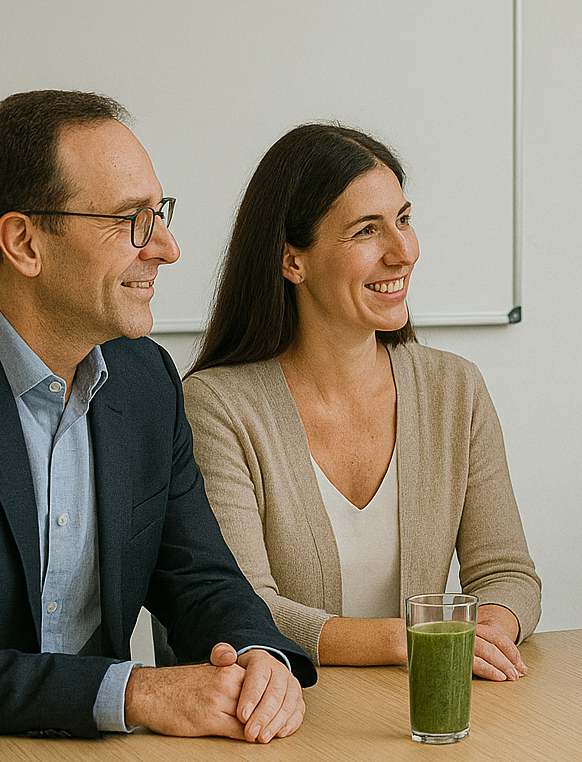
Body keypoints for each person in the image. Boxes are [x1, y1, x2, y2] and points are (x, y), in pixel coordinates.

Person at [0, 89, 314, 739]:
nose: (167, 248)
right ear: (24, 242)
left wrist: (255, 655)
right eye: (132, 219)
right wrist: (135, 693)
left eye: (161, 213)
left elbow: (199, 576)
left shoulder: (145, 379)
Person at [184, 123, 540, 680]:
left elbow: (507, 572)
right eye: (366, 231)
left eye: (403, 219)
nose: (403, 252)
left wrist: (488, 630)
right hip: (286, 719)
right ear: (292, 261)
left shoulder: (455, 388)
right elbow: (246, 608)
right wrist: (417, 638)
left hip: (424, 712)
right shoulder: (218, 406)